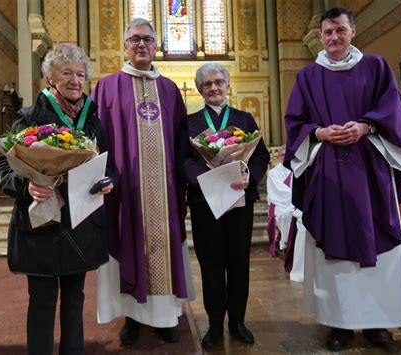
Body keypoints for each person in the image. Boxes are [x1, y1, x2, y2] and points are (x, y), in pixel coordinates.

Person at [284, 7, 401, 351]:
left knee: (381, 245)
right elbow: (295, 124)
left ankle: (379, 323)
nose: (334, 38)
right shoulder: (308, 77)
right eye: (327, 32)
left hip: (371, 171)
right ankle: (340, 324)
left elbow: (394, 111)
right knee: (334, 250)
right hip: (329, 172)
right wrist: (320, 132)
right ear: (320, 36)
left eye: (340, 30)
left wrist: (366, 125)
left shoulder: (375, 67)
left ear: (353, 31)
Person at [0, 43, 112, 355]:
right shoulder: (29, 116)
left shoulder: (94, 121)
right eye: (67, 73)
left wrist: (106, 182)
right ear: (51, 78)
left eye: (81, 74)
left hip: (80, 222)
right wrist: (27, 186)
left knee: (75, 299)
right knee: (43, 301)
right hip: (42, 224)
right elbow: (5, 167)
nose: (76, 80)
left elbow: (109, 166)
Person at [90, 18, 193, 346]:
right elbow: (95, 140)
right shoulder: (106, 87)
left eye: (148, 39)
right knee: (128, 246)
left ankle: (164, 319)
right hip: (125, 192)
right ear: (124, 45)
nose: (142, 45)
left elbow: (181, 143)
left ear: (156, 45)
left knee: (164, 251)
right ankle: (131, 319)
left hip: (165, 192)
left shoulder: (169, 89)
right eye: (135, 39)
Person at [177, 63, 270, 349]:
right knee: (211, 265)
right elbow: (182, 160)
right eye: (207, 84)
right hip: (206, 202)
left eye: (219, 82)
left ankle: (238, 322)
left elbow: (261, 156)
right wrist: (204, 177)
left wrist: (248, 175)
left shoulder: (244, 119)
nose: (214, 88)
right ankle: (215, 324)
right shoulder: (190, 123)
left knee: (239, 262)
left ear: (228, 85)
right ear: (199, 90)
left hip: (239, 199)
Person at [266, 145, 294, 252]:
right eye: (282, 155)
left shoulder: (296, 170)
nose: (285, 157)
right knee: (286, 215)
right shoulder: (273, 173)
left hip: (295, 203)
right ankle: (286, 244)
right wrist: (294, 200)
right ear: (278, 157)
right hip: (280, 204)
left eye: (287, 155)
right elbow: (279, 192)